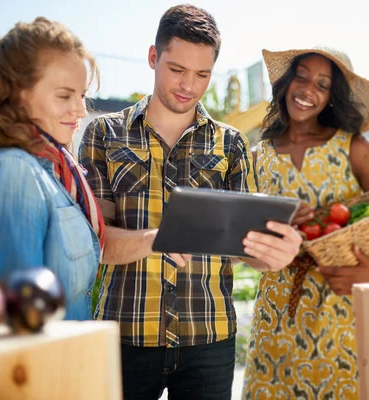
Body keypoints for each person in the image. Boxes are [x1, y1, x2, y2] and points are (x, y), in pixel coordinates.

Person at [78, 4, 302, 400]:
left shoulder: (230, 144)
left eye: (202, 74)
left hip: (209, 339)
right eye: (177, 70)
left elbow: (244, 249)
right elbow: (94, 243)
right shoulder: (103, 134)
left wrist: (272, 253)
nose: (188, 86)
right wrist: (157, 238)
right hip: (125, 334)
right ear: (153, 57)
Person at [242, 47, 369, 399]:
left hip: (343, 315)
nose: (307, 89)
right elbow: (244, 246)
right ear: (286, 82)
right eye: (300, 76)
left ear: (332, 96)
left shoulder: (356, 149)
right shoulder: (258, 158)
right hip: (276, 318)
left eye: (322, 83)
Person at [0, 17, 104, 320]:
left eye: (82, 95)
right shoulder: (12, 172)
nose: (81, 110)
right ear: (17, 95)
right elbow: (19, 323)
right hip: (41, 367)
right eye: (64, 95)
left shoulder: (52, 169)